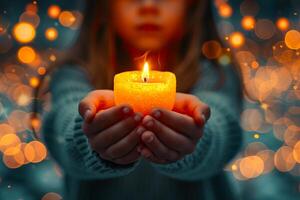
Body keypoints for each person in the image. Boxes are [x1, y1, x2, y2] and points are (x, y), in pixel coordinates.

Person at [40, 0, 243, 199]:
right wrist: (89, 133)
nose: (148, 5)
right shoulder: (75, 73)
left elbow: (221, 127)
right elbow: (63, 126)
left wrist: (196, 136)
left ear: (192, 4)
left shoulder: (214, 72)